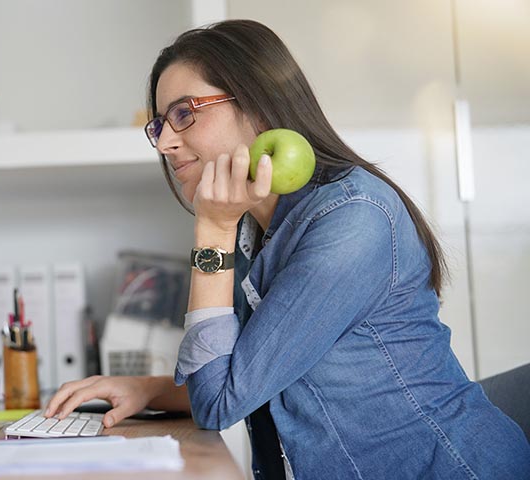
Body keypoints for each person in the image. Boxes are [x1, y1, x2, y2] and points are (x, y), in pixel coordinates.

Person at [44, 19, 530, 479]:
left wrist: (212, 230)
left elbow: (221, 402)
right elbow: (241, 375)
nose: (166, 142)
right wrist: (145, 389)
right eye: (160, 125)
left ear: (257, 104)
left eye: (184, 114)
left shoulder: (353, 220)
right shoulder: (251, 229)